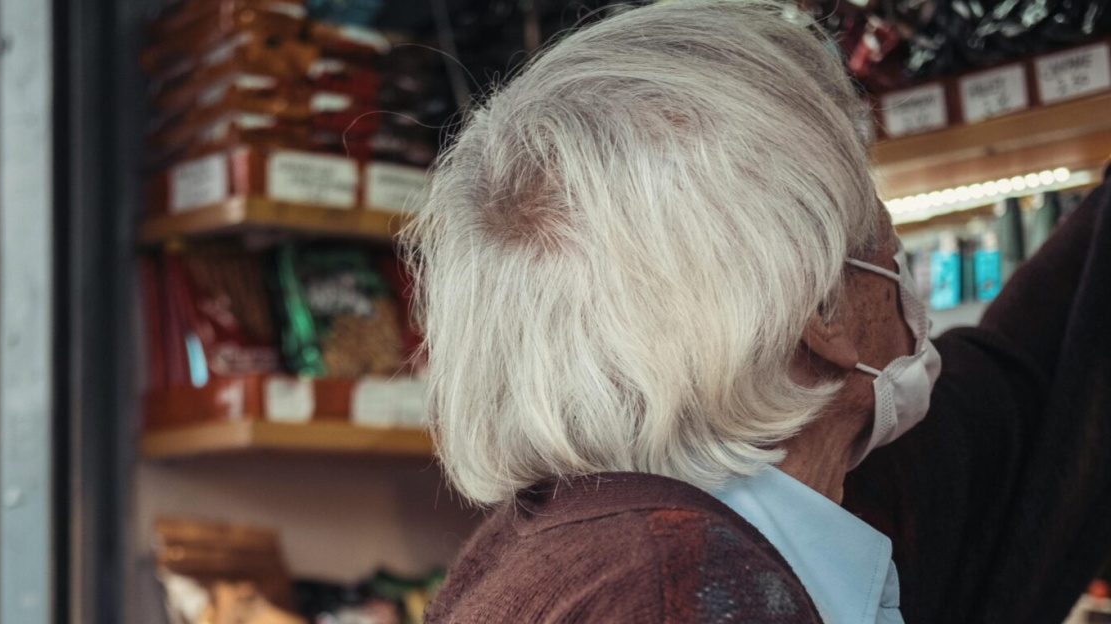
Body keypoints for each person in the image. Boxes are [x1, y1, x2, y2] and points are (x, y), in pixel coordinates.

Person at [403, 1, 1111, 622]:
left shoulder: (556, 546)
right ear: (824, 310)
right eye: (885, 249)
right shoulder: (685, 587)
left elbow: (1034, 382)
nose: (899, 281)